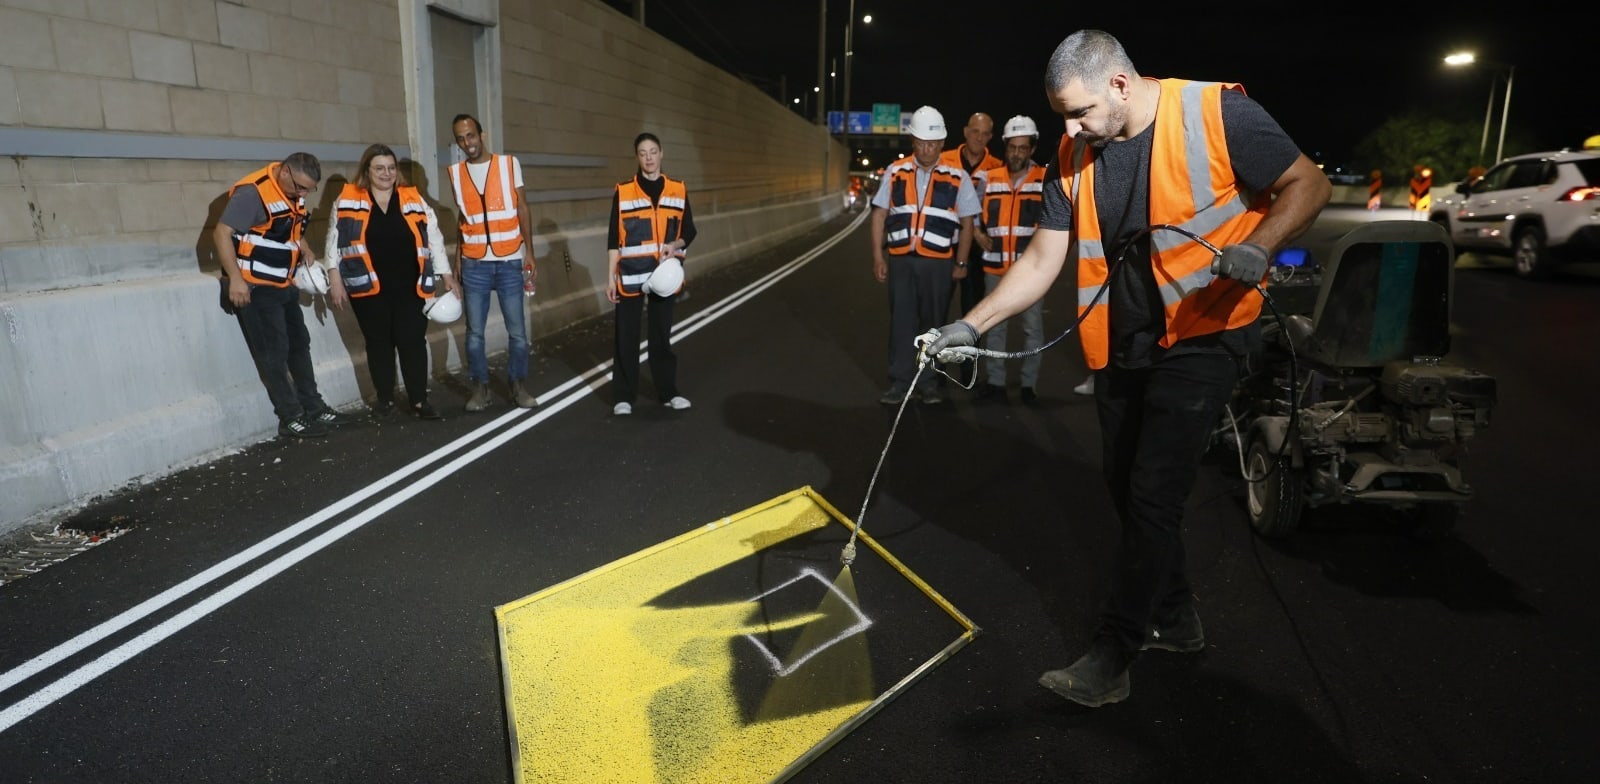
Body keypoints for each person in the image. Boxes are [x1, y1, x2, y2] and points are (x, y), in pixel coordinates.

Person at [923, 30, 1331, 706]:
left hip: (1206, 329)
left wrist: (1261, 247)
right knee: (1122, 486)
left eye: (1079, 112)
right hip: (1122, 340)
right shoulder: (1075, 152)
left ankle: (1115, 653)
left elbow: (1307, 185)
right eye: (1061, 115)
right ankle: (1176, 617)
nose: (1070, 127)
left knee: (1153, 495)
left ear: (1118, 83)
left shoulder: (1216, 114)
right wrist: (971, 325)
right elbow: (1041, 260)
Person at [214, 152, 354, 439]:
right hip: (256, 287)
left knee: (299, 345)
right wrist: (236, 281)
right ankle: (290, 417)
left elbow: (284, 227)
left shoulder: (291, 191)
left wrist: (302, 246)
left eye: (309, 189)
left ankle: (313, 407)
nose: (303, 193)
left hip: (283, 283)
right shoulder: (252, 194)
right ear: (286, 172)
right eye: (300, 187)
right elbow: (221, 233)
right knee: (274, 353)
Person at [324, 143, 454, 420]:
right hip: (368, 287)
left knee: (412, 341)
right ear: (367, 171)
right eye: (379, 168)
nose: (386, 173)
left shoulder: (413, 198)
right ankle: (385, 399)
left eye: (391, 168)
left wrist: (447, 275)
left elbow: (435, 238)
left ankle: (419, 401)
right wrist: (334, 278)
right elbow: (333, 241)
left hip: (411, 286)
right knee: (378, 343)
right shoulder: (346, 199)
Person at [870, 105, 981, 406]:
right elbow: (880, 214)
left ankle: (929, 383)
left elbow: (968, 222)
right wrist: (878, 258)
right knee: (901, 323)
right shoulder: (896, 171)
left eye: (932, 143)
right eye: (920, 142)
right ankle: (899, 382)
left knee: (933, 325)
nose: (926, 149)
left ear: (942, 143)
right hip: (902, 260)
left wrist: (961, 261)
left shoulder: (958, 176)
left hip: (939, 264)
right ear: (913, 142)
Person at [447, 114, 538, 412]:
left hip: (510, 258)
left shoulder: (508, 164)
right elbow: (464, 218)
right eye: (461, 139)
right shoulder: (456, 173)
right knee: (474, 334)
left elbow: (522, 208)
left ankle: (518, 386)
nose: (467, 143)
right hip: (475, 264)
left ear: (482, 135)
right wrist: (458, 258)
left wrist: (530, 252)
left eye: (471, 136)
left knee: (518, 333)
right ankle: (481, 388)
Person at [605, 132, 695, 416]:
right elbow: (613, 240)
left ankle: (668, 392)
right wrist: (610, 278)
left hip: (664, 277)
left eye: (653, 151)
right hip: (630, 276)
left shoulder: (678, 190)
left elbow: (689, 231)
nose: (648, 158)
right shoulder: (623, 190)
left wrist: (675, 245)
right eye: (643, 153)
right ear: (637, 157)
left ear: (661, 153)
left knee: (661, 337)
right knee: (626, 338)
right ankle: (623, 396)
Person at [971, 115, 1047, 405]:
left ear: (1031, 149)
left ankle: (1029, 385)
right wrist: (977, 233)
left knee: (1031, 329)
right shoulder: (988, 179)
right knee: (995, 327)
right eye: (1012, 147)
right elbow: (971, 214)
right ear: (1005, 146)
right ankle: (996, 381)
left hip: (1030, 273)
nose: (1016, 153)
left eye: (1022, 148)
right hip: (994, 266)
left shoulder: (1043, 180)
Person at [939, 113, 1004, 385]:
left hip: (978, 254)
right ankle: (935, 371)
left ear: (990, 136)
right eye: (974, 131)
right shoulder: (944, 161)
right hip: (943, 244)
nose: (979, 137)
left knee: (972, 315)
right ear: (965, 132)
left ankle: (968, 373)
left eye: (985, 133)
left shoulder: (996, 167)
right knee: (938, 310)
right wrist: (972, 230)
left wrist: (978, 233)